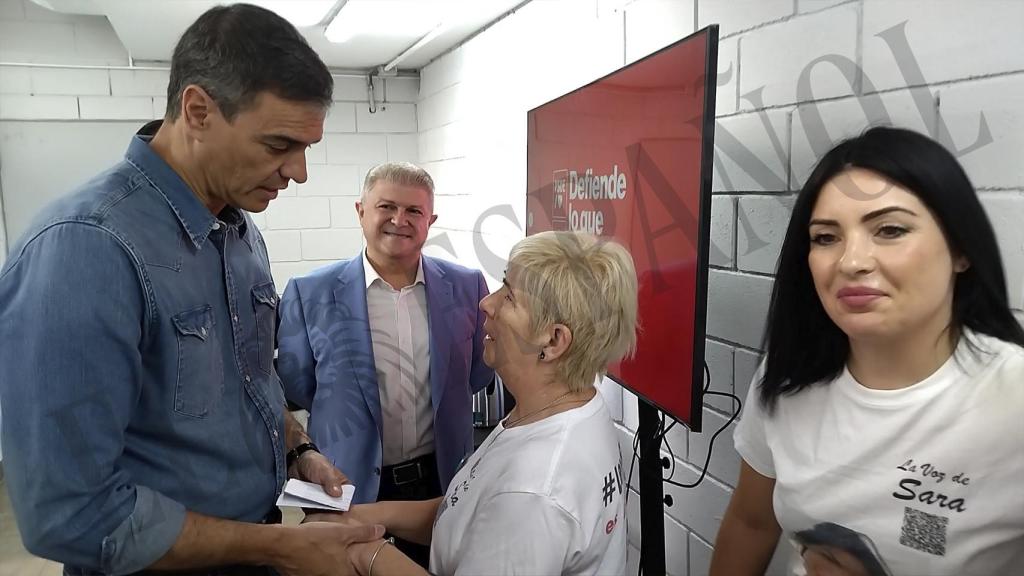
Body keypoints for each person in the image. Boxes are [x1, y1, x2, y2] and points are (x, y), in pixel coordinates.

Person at [0, 5, 382, 576]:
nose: (298, 173)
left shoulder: (238, 229)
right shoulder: (86, 248)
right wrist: (277, 548)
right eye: (278, 145)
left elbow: (253, 380)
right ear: (198, 111)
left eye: (306, 148)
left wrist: (299, 451)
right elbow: (71, 513)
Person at [709, 126, 1024, 576]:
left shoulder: (1012, 401)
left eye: (890, 230)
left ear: (960, 248)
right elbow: (752, 522)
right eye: (825, 237)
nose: (852, 261)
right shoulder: (787, 377)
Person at [308, 230, 638, 575]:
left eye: (509, 297)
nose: (487, 303)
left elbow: (507, 511)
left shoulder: (531, 493)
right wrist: (361, 516)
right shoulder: (567, 408)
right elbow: (466, 513)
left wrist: (365, 553)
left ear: (553, 340)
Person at [275, 161, 494, 565]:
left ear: (431, 220)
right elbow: (297, 383)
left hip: (442, 480)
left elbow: (477, 373)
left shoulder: (467, 286)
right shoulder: (310, 293)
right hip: (346, 481)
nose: (399, 220)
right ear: (361, 211)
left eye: (414, 211)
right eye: (386, 207)